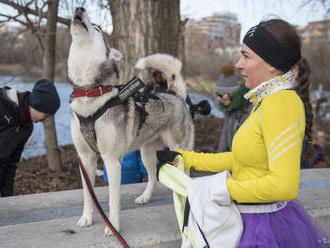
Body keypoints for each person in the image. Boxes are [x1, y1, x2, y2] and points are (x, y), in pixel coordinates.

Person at [157, 19, 329, 247]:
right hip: (251, 218)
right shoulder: (266, 100)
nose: (238, 64)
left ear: (272, 64)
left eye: (246, 56)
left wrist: (216, 189)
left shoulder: (281, 103)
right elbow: (242, 159)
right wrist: (186, 158)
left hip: (263, 227)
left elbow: (284, 185)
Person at [0, 79, 60, 197]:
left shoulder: (26, 128)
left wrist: (8, 198)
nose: (46, 120)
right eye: (46, 114)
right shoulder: (2, 106)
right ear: (36, 105)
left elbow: (11, 164)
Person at [215, 64, 250, 152]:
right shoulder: (229, 110)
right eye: (219, 94)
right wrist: (220, 158)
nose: (223, 98)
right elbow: (225, 136)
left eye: (227, 94)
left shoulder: (246, 111)